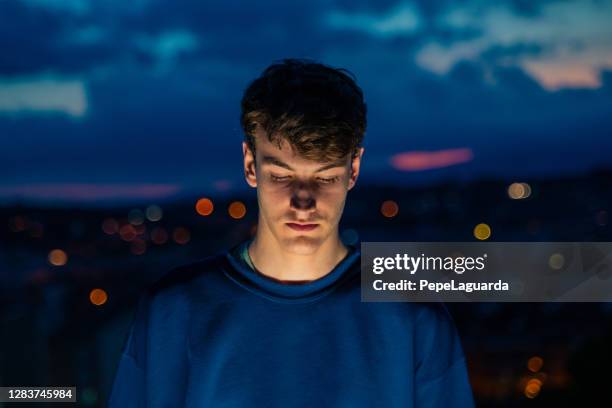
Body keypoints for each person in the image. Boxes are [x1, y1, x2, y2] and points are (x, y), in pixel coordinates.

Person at [107, 58, 475, 407]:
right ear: (251, 165)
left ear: (354, 169)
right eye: (282, 175)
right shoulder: (172, 313)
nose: (303, 202)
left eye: (326, 177)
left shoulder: (414, 319)